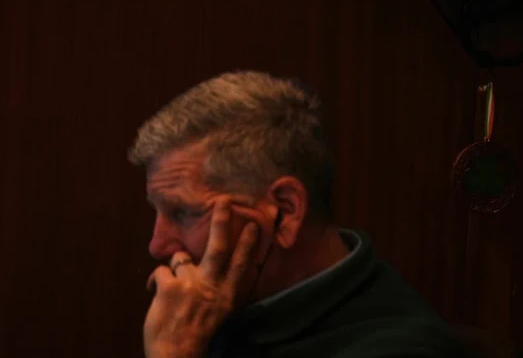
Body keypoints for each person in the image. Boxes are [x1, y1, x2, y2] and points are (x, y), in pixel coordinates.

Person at [128, 71, 463, 358]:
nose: (157, 246)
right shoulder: (218, 309)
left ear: (285, 212)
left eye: (183, 212)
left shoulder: (401, 350)